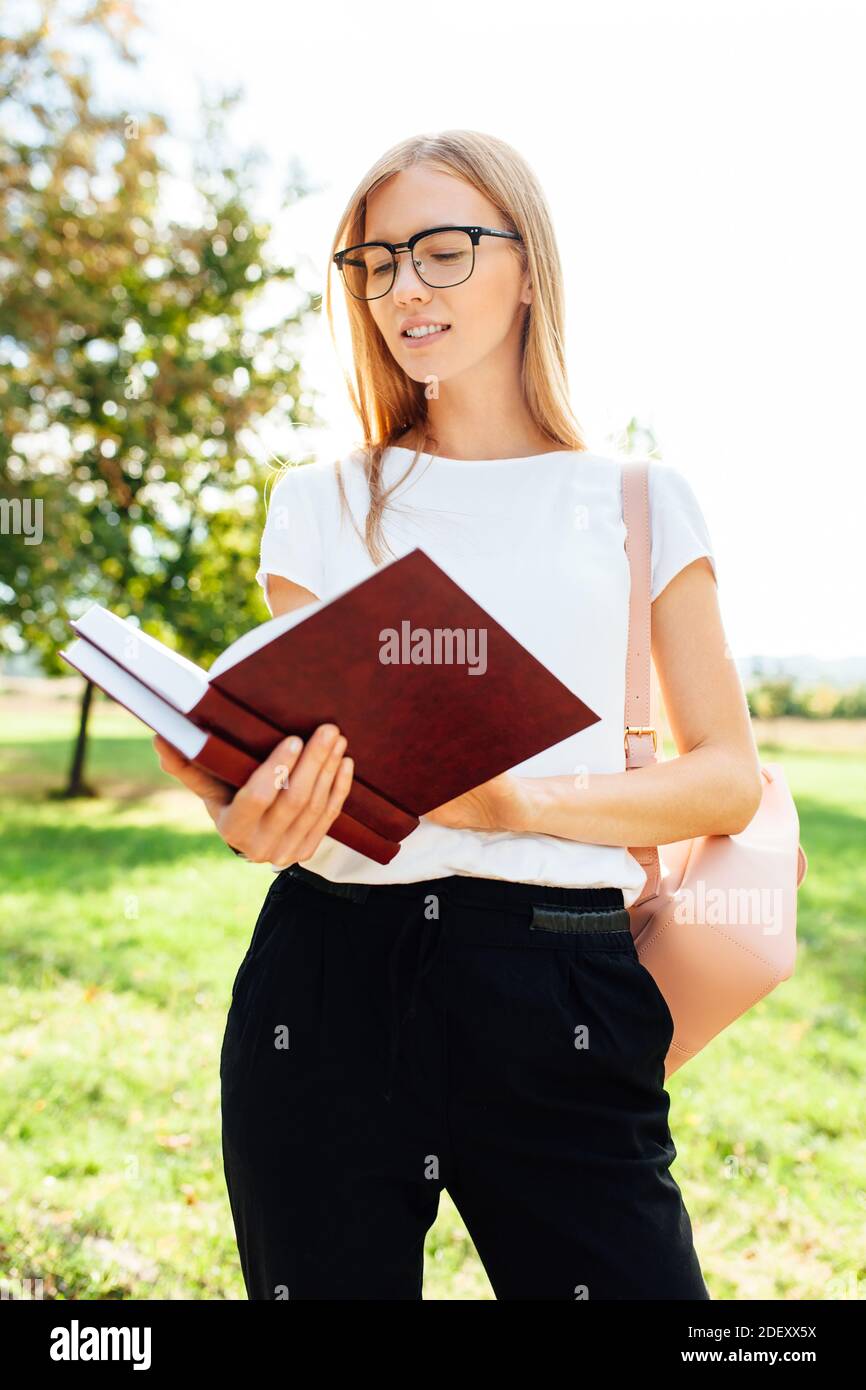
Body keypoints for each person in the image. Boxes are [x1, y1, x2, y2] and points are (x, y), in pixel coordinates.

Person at [153, 129, 763, 1301]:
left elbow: (724, 775)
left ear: (526, 265)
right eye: (372, 264)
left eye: (439, 252)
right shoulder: (319, 504)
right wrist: (249, 812)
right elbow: (315, 776)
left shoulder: (637, 499)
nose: (401, 291)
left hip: (561, 979)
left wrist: (511, 802)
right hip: (327, 976)